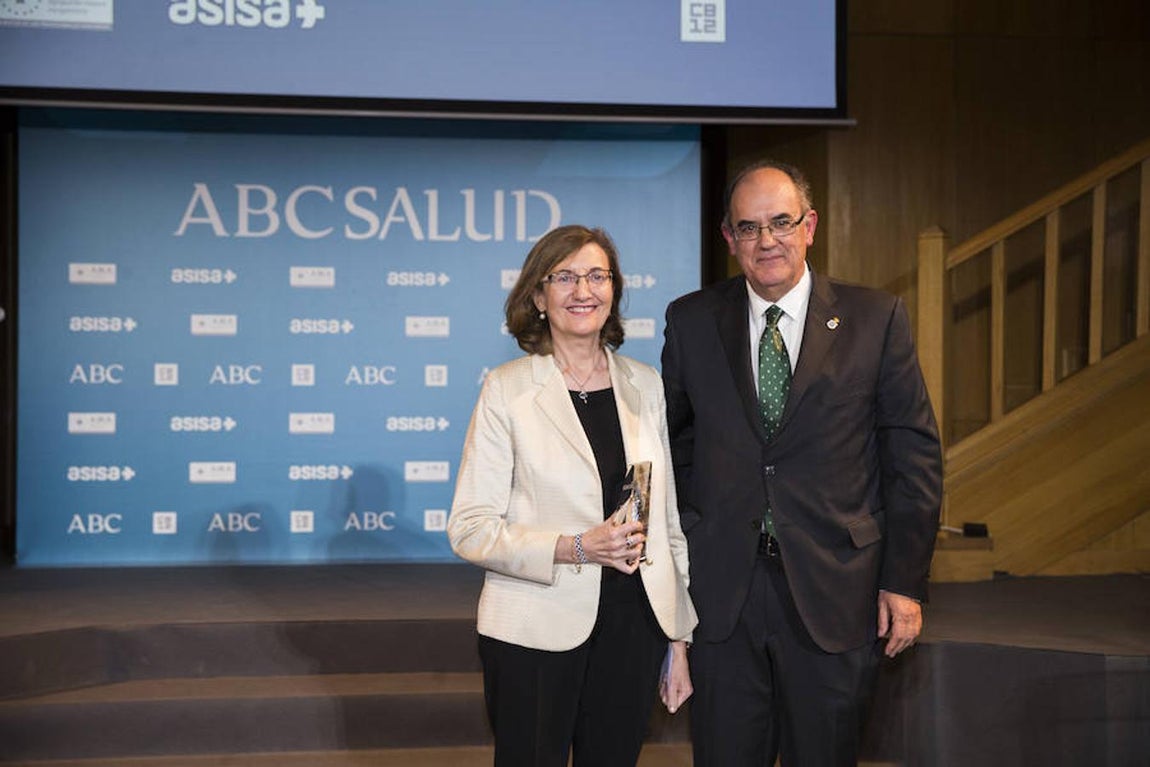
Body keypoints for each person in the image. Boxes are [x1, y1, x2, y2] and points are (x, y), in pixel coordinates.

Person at [661, 160, 943, 766]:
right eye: (749, 227)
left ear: (809, 226)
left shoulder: (876, 319)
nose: (767, 240)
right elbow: (673, 445)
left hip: (836, 588)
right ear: (729, 238)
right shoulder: (690, 321)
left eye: (781, 222)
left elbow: (912, 456)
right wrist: (693, 532)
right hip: (723, 593)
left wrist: (903, 581)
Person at [448, 224, 697, 767]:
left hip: (633, 625)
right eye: (564, 277)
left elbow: (666, 523)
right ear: (538, 297)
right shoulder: (508, 389)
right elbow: (470, 527)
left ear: (613, 290)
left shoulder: (645, 384)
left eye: (596, 276)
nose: (583, 290)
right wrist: (575, 547)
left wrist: (678, 638)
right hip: (533, 626)